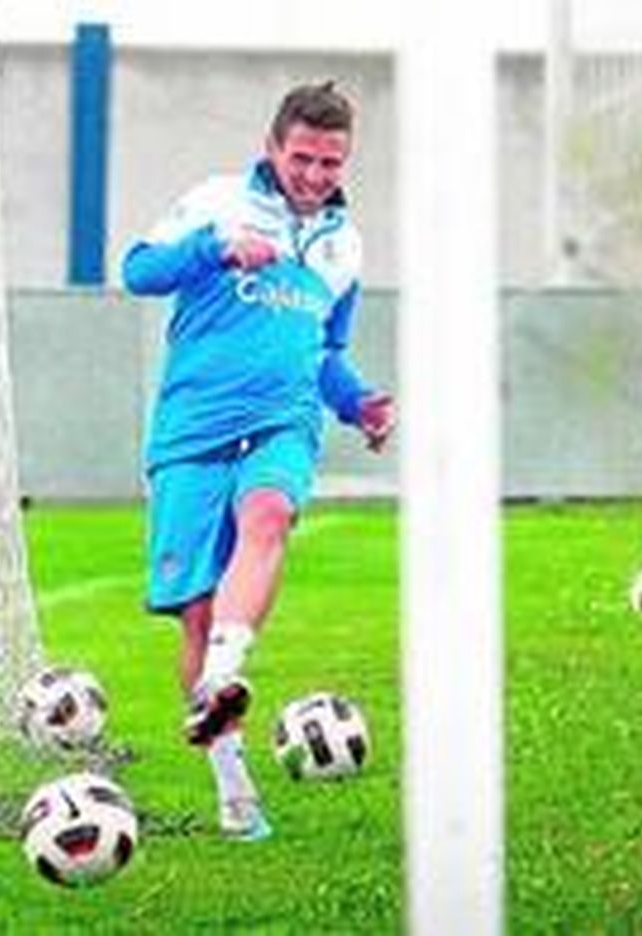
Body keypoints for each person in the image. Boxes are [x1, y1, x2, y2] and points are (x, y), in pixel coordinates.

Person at [120, 80, 394, 840]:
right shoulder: (217, 200)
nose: (314, 175)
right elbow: (137, 270)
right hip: (192, 426)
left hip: (284, 420)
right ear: (274, 147)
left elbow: (326, 350)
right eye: (302, 157)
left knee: (269, 513)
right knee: (195, 612)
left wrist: (357, 401)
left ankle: (225, 672)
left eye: (330, 163)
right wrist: (214, 249)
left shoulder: (346, 246)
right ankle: (234, 787)